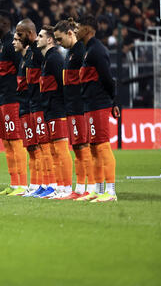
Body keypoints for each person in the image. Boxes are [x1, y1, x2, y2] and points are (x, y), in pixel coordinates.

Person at [77, 15, 120, 202]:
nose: (76, 30)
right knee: (93, 148)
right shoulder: (88, 50)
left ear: (87, 30)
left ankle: (110, 191)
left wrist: (113, 101)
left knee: (102, 146)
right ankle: (98, 188)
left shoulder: (97, 50)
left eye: (79, 27)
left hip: (99, 104)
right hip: (89, 104)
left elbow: (108, 78)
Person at [54, 18, 95, 200]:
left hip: (79, 107)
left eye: (60, 39)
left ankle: (91, 187)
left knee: (84, 146)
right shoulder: (71, 53)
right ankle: (79, 189)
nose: (59, 43)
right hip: (70, 107)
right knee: (77, 147)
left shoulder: (81, 52)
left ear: (70, 33)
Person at [0, 11, 27, 195]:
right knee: (6, 142)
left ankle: (22, 184)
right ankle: (14, 183)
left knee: (16, 142)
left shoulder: (14, 46)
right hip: (2, 101)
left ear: (5, 24)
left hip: (13, 100)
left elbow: (22, 71)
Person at [15, 18, 52, 198]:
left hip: (39, 107)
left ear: (30, 34)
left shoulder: (38, 54)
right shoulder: (29, 55)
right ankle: (40, 185)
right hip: (31, 107)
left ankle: (50, 184)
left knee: (43, 148)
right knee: (34, 149)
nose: (17, 37)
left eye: (19, 34)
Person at [36, 26, 74, 199]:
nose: (37, 38)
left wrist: (63, 106)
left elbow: (63, 84)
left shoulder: (55, 59)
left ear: (49, 40)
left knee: (60, 150)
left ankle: (66, 188)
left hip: (58, 110)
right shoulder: (46, 59)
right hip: (49, 109)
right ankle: (59, 187)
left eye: (40, 36)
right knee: (53, 150)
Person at [12, 32, 38, 197]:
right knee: (31, 148)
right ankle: (35, 185)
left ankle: (43, 184)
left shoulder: (31, 58)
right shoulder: (23, 60)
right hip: (24, 108)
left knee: (37, 148)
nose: (13, 42)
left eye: (16, 40)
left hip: (31, 108)